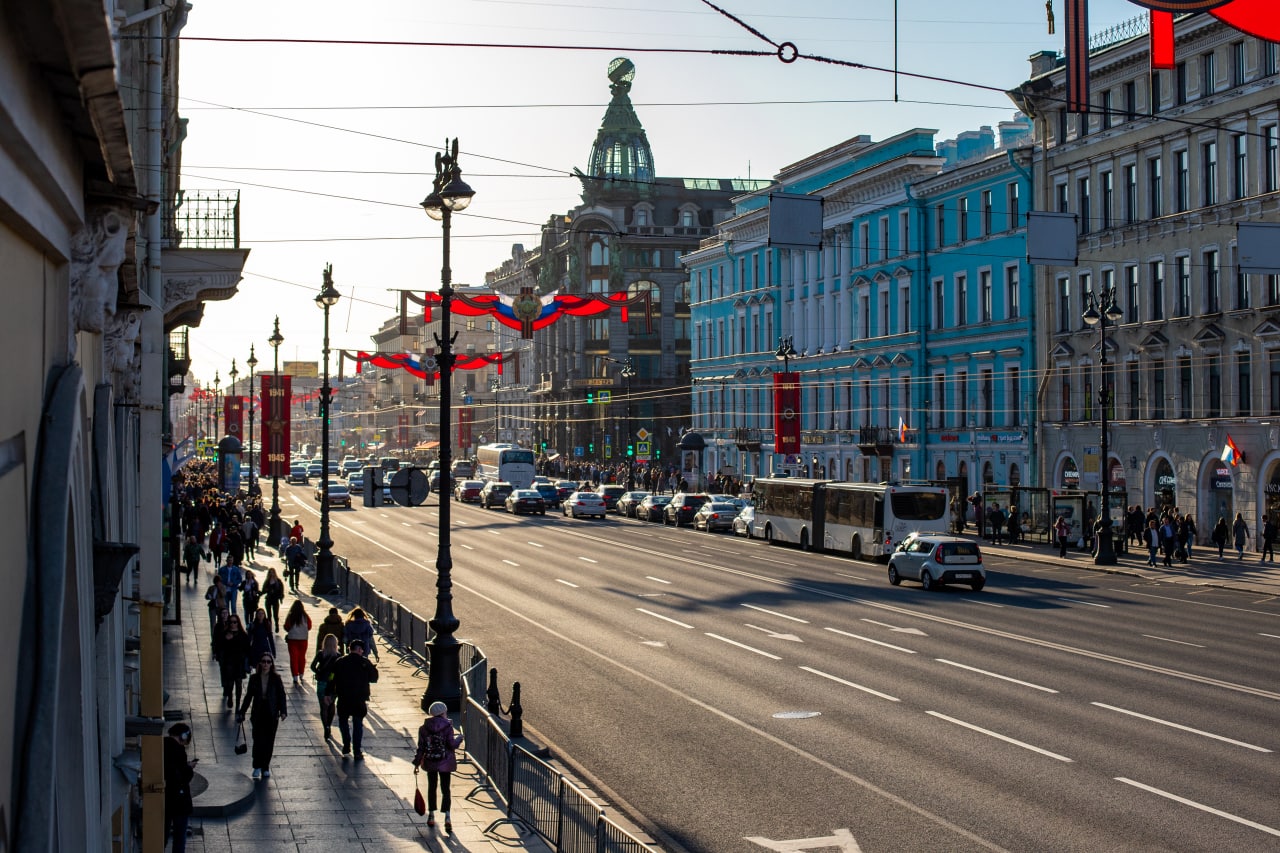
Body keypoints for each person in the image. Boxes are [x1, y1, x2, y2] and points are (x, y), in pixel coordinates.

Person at [414, 701, 465, 832]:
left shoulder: (423, 728)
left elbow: (421, 748)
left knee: (432, 787)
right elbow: (452, 745)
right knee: (445, 789)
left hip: (430, 762)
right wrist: (460, 738)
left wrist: (417, 763)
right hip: (445, 762)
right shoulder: (448, 727)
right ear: (442, 713)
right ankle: (447, 817)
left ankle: (431, 815)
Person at [237, 652, 288, 779]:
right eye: (264, 661)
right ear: (260, 663)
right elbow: (249, 696)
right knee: (258, 740)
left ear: (271, 664)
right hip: (258, 712)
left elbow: (281, 695)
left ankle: (265, 766)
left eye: (268, 662)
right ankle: (257, 766)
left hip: (271, 712)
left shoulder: (276, 678)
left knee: (269, 741)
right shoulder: (254, 678)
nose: (266, 664)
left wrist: (283, 711)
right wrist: (242, 711)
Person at [331, 638, 379, 759]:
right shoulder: (365, 662)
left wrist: (329, 693)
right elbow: (374, 678)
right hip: (359, 698)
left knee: (343, 722)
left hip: (343, 697)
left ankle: (346, 744)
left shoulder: (339, 662)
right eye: (362, 649)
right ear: (358, 649)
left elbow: (332, 678)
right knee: (358, 724)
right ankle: (357, 750)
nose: (362, 651)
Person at [164, 723, 196, 853]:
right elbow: (182, 777)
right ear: (183, 736)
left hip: (165, 798)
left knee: (163, 833)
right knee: (179, 836)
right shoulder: (178, 751)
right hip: (179, 800)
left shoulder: (161, 745)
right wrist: (189, 768)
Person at [213, 613, 250, 709]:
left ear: (238, 623)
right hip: (228, 662)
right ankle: (230, 696)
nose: (233, 624)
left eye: (235, 622)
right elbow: (219, 645)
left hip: (239, 663)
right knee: (229, 683)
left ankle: (237, 704)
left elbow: (246, 648)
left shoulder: (242, 635)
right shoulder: (225, 634)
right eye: (231, 622)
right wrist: (226, 640)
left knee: (238, 684)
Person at [310, 633, 341, 741]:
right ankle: (329, 724)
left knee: (323, 707)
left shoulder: (321, 654)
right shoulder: (338, 656)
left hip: (322, 682)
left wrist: (319, 672)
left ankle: (325, 727)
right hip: (333, 684)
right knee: (332, 704)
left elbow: (312, 666)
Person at [283, 600, 313, 685]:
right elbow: (310, 626)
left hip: (292, 639)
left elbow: (287, 626)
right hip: (303, 639)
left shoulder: (291, 615)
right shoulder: (305, 616)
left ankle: (295, 675)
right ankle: (301, 673)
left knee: (294, 658)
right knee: (302, 657)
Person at [247, 608, 276, 674]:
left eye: (262, 613)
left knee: (265, 666)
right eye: (259, 613)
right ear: (256, 615)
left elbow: (270, 638)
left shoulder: (267, 624)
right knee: (257, 667)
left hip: (265, 648)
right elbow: (249, 639)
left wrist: (273, 652)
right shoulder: (253, 625)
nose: (261, 615)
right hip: (255, 648)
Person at [262, 567, 285, 632]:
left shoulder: (278, 581)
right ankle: (269, 627)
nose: (271, 574)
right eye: (270, 572)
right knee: (269, 614)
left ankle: (277, 625)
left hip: (275, 599)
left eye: (272, 572)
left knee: (275, 614)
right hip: (268, 599)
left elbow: (281, 590)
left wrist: (280, 597)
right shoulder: (267, 581)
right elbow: (263, 590)